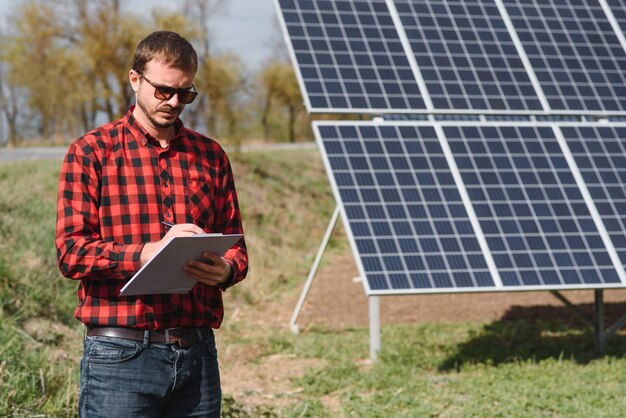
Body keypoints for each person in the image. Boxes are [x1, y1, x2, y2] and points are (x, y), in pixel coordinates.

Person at [55, 30, 248, 417]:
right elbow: (71, 253)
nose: (174, 102)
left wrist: (225, 270)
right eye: (163, 91)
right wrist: (146, 253)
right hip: (119, 356)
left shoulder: (210, 155)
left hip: (196, 355)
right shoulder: (92, 152)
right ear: (134, 79)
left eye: (186, 93)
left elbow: (237, 248)